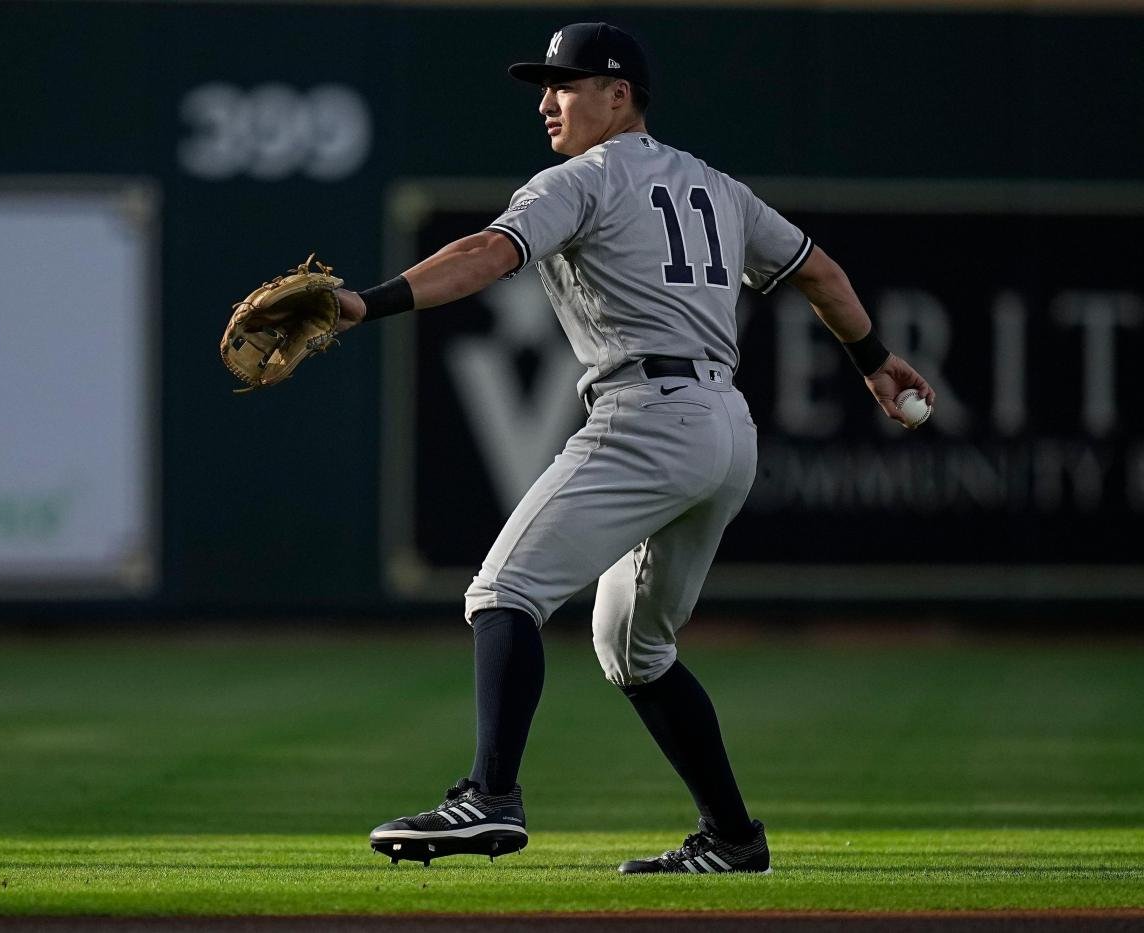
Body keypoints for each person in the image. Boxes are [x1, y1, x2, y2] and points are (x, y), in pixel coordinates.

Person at [333, 22, 935, 874]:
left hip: (647, 413)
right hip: (727, 428)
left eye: (567, 84)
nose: (548, 101)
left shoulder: (579, 179)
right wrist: (873, 362)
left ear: (620, 96)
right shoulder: (716, 186)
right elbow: (820, 273)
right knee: (634, 647)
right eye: (545, 86)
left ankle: (489, 797)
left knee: (504, 591)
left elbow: (480, 255)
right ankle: (733, 838)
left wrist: (366, 303)